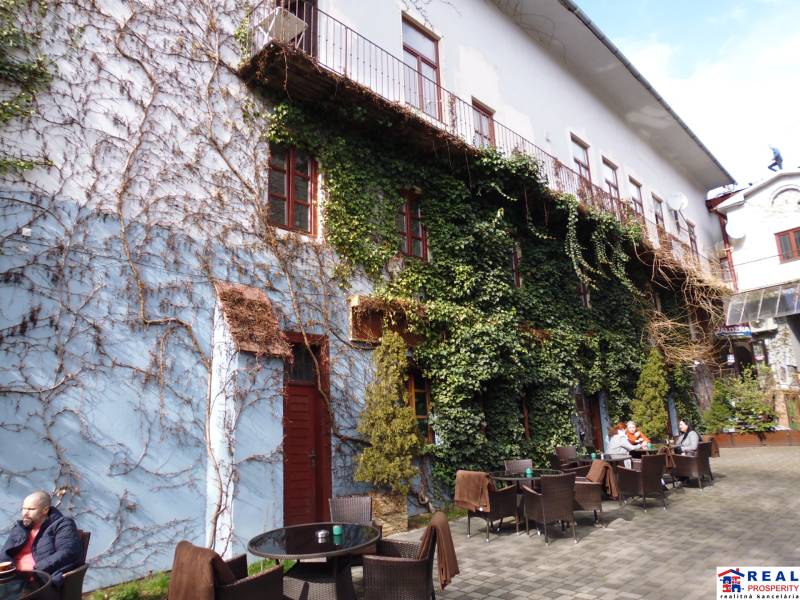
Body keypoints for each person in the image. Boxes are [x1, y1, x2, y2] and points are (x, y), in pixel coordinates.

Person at [2, 491, 82, 595]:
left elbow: (68, 552)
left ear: (45, 510)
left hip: (39, 582)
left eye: (31, 509)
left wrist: (36, 569)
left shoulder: (62, 524)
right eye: (24, 508)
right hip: (12, 580)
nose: (25, 512)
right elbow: (4, 555)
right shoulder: (20, 528)